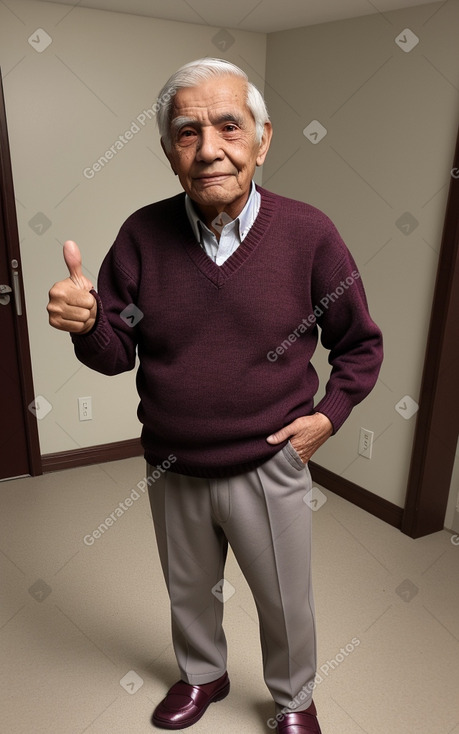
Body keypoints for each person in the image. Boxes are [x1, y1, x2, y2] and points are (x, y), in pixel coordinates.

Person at [47, 58, 383, 733]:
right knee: (188, 592)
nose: (208, 150)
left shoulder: (308, 235)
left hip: (269, 463)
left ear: (261, 139)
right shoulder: (141, 238)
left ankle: (293, 698)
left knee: (285, 601)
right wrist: (88, 327)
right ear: (170, 151)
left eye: (229, 127)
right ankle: (202, 675)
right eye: (186, 132)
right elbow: (118, 352)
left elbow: (360, 344)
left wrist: (326, 417)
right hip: (172, 463)